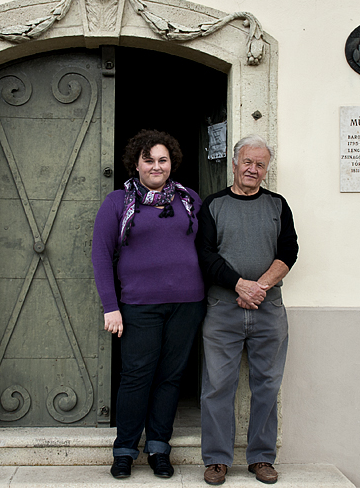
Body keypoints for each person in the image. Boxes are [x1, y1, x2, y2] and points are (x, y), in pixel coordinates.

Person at [91, 129, 206, 480]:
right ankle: (125, 449)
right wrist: (111, 306)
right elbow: (100, 255)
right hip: (139, 304)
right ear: (136, 164)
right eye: (149, 160)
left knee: (170, 378)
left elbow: (205, 247)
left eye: (162, 160)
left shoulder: (189, 199)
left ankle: (159, 447)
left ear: (171, 163)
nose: (156, 166)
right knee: (136, 377)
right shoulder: (117, 202)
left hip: (187, 303)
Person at [196, 135, 299, 485]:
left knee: (268, 384)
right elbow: (205, 255)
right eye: (248, 162)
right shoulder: (213, 205)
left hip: (268, 309)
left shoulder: (277, 205)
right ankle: (216, 459)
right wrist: (240, 285)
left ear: (265, 170)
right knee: (217, 385)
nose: (253, 169)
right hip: (223, 308)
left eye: (260, 165)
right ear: (235, 164)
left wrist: (260, 288)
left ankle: (261, 458)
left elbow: (289, 252)